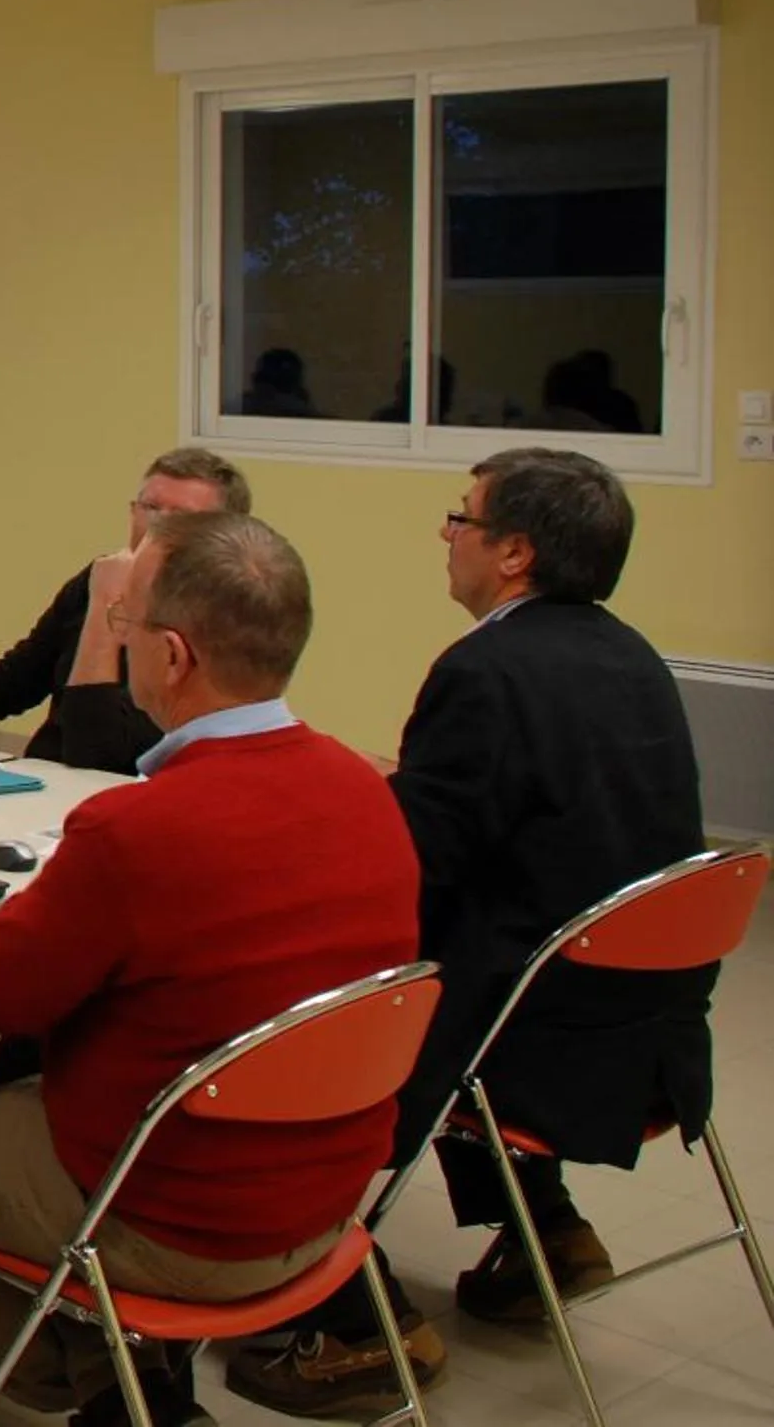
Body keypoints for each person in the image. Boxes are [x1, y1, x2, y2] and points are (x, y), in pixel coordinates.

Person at [0, 513, 419, 1427]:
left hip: (166, 1211)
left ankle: (86, 1383)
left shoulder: (136, 827)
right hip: (325, 1204)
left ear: (170, 657)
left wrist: (25, 928)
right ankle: (127, 1383)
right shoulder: (365, 791)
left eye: (122, 626)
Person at [228, 450, 711, 1418]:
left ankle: (356, 1323)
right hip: (643, 1026)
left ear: (514, 552)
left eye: (462, 517)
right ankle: (547, 1229)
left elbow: (413, 864)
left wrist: (332, 809)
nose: (445, 533)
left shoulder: (486, 669)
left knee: (292, 999)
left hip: (530, 1033)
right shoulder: (631, 655)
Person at [0, 449, 250, 774]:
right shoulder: (97, 579)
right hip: (43, 784)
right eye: (150, 508)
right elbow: (9, 683)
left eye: (178, 517)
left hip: (116, 796)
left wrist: (106, 607)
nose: (155, 526)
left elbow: (98, 756)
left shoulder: (221, 620)